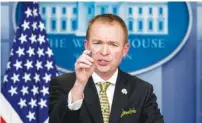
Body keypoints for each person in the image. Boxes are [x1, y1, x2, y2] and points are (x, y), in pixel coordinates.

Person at [48, 13, 164, 123]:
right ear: (87, 46)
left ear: (125, 50)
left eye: (113, 45)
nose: (104, 52)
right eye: (98, 43)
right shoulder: (63, 85)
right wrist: (79, 85)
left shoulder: (142, 90)